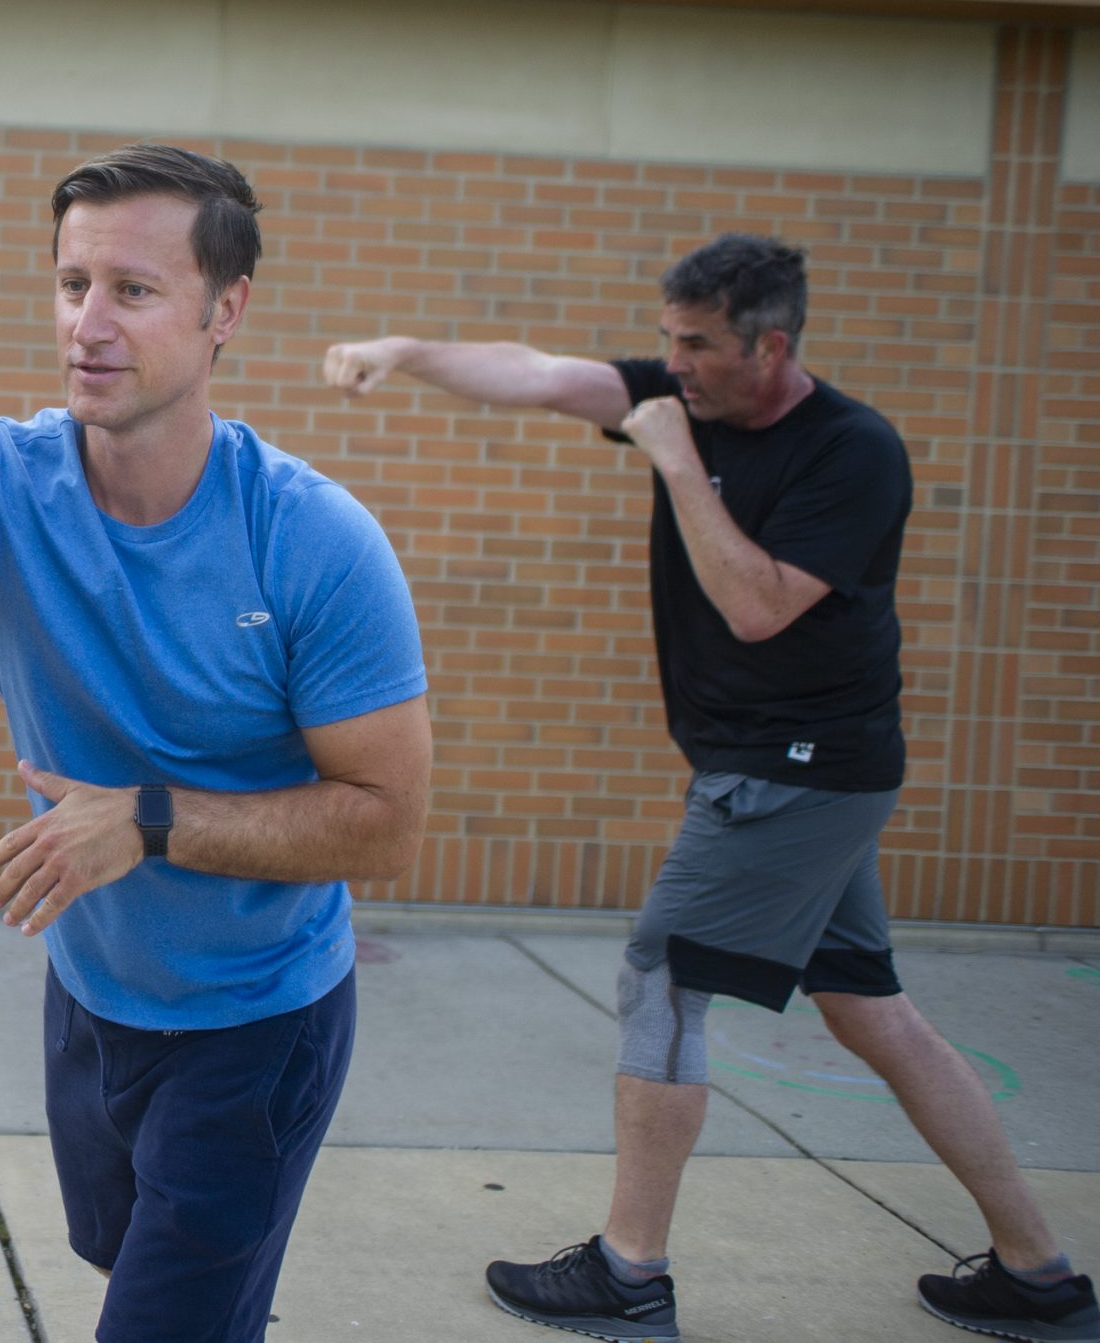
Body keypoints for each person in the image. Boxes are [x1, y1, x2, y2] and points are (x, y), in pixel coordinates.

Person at [325, 233, 1095, 1343]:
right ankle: (1036, 1272)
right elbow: (538, 372)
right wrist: (403, 348)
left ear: (769, 344)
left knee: (665, 979)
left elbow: (758, 603)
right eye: (664, 339)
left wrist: (677, 461)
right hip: (799, 779)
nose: (669, 362)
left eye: (695, 344)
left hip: (793, 774)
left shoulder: (851, 450)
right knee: (872, 1010)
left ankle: (629, 1271)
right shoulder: (680, 392)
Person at [0, 146, 433, 1343]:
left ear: (223, 309)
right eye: (71, 282)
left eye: (132, 289)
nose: (88, 321)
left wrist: (144, 817)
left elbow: (385, 822)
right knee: (133, 1266)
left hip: (258, 1020)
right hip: (94, 992)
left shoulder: (314, 541)